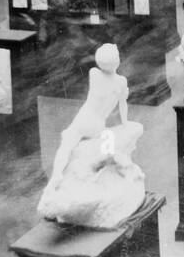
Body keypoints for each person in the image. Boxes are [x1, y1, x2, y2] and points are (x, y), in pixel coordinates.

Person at [37, 43, 145, 230]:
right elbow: (122, 106)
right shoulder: (120, 82)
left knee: (67, 143)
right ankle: (111, 170)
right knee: (104, 149)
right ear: (116, 61)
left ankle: (56, 178)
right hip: (97, 124)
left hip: (85, 116)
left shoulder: (94, 74)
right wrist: (125, 124)